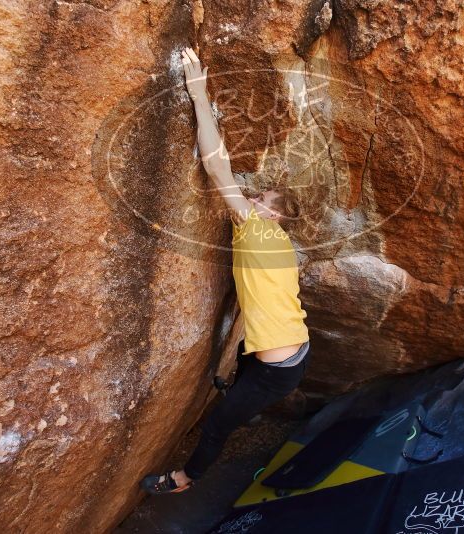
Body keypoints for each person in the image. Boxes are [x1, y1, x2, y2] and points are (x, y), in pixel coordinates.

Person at [140, 47, 311, 494]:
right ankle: (243, 395)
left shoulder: (255, 229)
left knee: (217, 427)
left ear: (271, 216)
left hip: (279, 368)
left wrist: (198, 95)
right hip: (285, 352)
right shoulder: (283, 244)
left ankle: (184, 480)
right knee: (241, 364)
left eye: (260, 200)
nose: (251, 200)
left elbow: (217, 166)